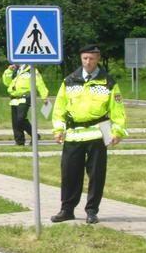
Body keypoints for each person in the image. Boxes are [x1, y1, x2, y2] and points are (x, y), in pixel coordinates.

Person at [50, 44, 128, 224]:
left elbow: (117, 110)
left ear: (98, 59)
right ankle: (67, 209)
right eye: (85, 58)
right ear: (81, 58)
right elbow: (59, 108)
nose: (88, 62)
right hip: (74, 134)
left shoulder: (108, 83)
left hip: (98, 134)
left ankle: (92, 210)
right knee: (69, 173)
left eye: (92, 58)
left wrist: (117, 131)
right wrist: (58, 129)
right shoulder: (69, 81)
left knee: (96, 174)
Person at [2, 63, 49, 145]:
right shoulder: (15, 70)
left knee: (21, 118)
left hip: (25, 97)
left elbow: (40, 83)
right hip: (14, 98)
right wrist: (9, 71)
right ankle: (19, 141)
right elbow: (7, 83)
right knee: (15, 121)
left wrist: (44, 96)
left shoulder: (31, 70)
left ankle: (35, 136)